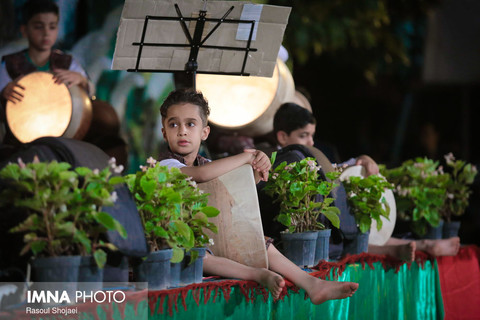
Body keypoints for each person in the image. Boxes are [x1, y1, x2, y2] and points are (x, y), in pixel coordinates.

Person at [156, 88, 358, 304]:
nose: (182, 131)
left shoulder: (205, 164)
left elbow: (234, 187)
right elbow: (202, 175)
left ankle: (311, 284)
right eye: (174, 124)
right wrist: (246, 157)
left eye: (190, 124)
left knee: (256, 239)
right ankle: (257, 274)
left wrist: (257, 168)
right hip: (175, 244)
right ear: (164, 132)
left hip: (209, 238)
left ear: (204, 132)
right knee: (196, 252)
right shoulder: (165, 166)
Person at [271, 102, 460, 261]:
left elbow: (337, 168)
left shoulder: (310, 155)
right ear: (282, 136)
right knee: (347, 231)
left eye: (312, 135)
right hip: (309, 238)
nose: (311, 142)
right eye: (303, 135)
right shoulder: (275, 158)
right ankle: (417, 245)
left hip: (331, 231)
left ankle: (419, 245)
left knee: (355, 225)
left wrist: (363, 159)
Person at [0, 0, 93, 145]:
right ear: (24, 30)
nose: (46, 33)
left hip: (63, 138)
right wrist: (3, 93)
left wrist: (82, 80)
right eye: (38, 27)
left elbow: (91, 94)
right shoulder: (10, 64)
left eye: (52, 27)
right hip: (18, 141)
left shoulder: (68, 63)